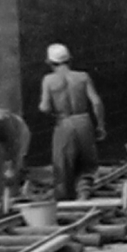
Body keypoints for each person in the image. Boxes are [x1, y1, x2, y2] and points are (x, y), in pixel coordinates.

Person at [39, 44, 105, 202]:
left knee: (62, 164)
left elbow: (45, 107)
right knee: (86, 163)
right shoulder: (83, 77)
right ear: (70, 60)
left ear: (50, 62)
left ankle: (64, 198)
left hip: (64, 122)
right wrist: (100, 125)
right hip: (83, 120)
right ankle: (83, 193)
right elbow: (96, 102)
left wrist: (52, 111)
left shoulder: (48, 80)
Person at [0, 109, 31, 211]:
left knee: (10, 175)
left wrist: (12, 168)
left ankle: (11, 202)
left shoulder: (4, 125)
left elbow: (14, 148)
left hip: (19, 132)